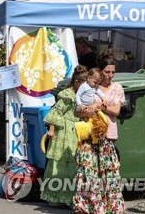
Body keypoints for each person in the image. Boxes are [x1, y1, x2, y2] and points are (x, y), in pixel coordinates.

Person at [73, 58, 125, 213]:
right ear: (100, 71)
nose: (110, 75)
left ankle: (110, 207)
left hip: (107, 134)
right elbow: (77, 111)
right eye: (107, 71)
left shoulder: (117, 88)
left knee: (108, 173)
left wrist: (100, 107)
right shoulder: (89, 86)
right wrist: (88, 109)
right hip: (89, 133)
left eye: (113, 72)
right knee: (88, 172)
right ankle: (88, 206)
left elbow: (116, 111)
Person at [40, 65, 86, 206]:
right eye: (83, 83)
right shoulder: (68, 96)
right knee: (60, 163)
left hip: (76, 131)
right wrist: (52, 130)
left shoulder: (84, 95)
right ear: (77, 82)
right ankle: (55, 197)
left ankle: (69, 197)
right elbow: (55, 113)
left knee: (73, 164)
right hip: (64, 131)